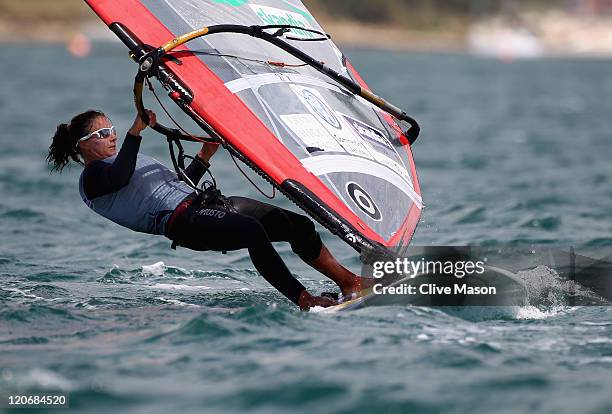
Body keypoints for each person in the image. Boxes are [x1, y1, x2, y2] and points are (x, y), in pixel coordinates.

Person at [47, 109, 370, 310]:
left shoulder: (120, 159)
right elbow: (120, 178)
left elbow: (177, 185)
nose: (112, 136)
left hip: (207, 204)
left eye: (113, 130)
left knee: (295, 225)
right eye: (102, 134)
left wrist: (204, 156)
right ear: (82, 145)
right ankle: (303, 299)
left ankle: (349, 282)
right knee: (252, 232)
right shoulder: (92, 178)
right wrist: (135, 133)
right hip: (184, 223)